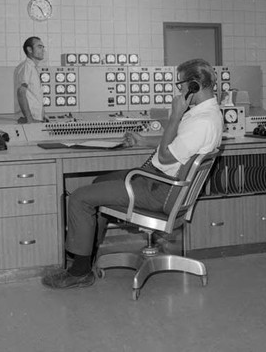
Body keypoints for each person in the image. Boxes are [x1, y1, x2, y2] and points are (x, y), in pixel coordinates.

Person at [42, 58, 223, 289]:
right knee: (99, 182)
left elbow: (167, 156)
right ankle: (85, 258)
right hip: (161, 182)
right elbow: (179, 144)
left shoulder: (202, 121)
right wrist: (145, 139)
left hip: (160, 190)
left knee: (80, 197)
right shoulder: (206, 114)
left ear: (193, 85)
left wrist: (175, 115)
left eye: (181, 85)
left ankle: (79, 271)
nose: (180, 90)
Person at [14, 36, 46, 123]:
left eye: (43, 47)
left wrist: (42, 115)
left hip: (36, 118)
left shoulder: (32, 68)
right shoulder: (26, 67)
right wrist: (29, 119)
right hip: (31, 120)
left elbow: (33, 95)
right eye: (39, 47)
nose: (43, 50)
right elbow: (21, 92)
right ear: (30, 49)